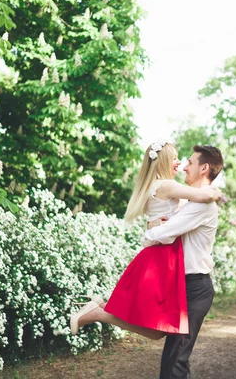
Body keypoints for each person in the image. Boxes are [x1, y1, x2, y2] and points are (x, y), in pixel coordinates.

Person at [69, 141, 222, 341]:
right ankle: (98, 313)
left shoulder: (158, 185)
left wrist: (168, 222)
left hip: (163, 256)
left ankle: (99, 311)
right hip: (162, 256)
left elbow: (180, 212)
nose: (180, 163)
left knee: (158, 330)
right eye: (175, 158)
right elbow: (200, 195)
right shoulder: (166, 184)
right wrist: (217, 192)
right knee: (156, 324)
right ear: (165, 160)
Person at [143, 145, 224, 379]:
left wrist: (151, 230)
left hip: (194, 288)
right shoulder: (191, 202)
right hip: (185, 286)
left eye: (189, 162)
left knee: (175, 360)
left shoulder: (200, 204)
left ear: (204, 168)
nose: (184, 167)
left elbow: (160, 235)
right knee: (173, 360)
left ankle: (97, 313)